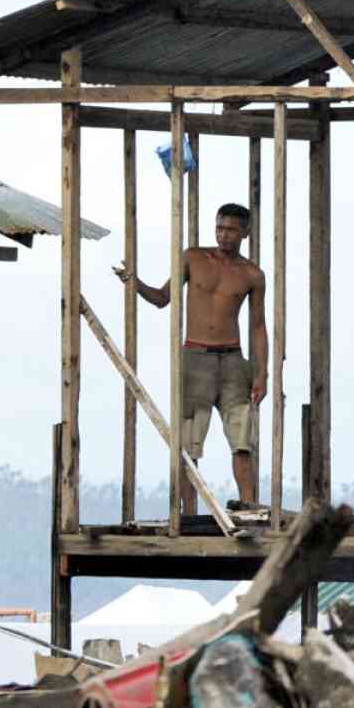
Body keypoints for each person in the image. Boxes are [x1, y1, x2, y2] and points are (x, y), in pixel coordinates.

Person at [116, 203, 266, 513]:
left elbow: (258, 326)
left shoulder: (251, 274)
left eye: (232, 230)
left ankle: (249, 507)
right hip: (196, 357)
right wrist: (134, 282)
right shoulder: (194, 258)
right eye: (220, 228)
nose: (224, 235)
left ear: (245, 233)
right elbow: (162, 298)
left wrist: (262, 374)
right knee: (188, 440)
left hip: (233, 360)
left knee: (242, 438)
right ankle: (188, 512)